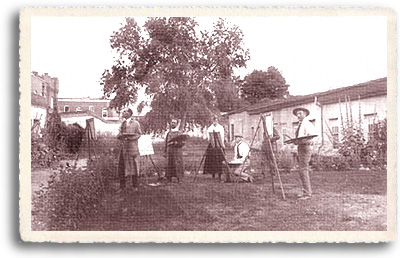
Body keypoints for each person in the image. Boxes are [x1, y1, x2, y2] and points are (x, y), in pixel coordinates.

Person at [292, 107, 316, 200]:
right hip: (301, 147)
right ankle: (305, 191)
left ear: (305, 114)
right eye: (297, 114)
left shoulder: (308, 124)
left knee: (303, 170)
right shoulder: (300, 124)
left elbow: (310, 138)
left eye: (300, 113)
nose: (298, 116)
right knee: (301, 170)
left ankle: (307, 193)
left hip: (305, 148)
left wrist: (299, 142)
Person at [117, 108, 142, 191]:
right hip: (123, 148)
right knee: (122, 166)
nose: (123, 113)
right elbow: (118, 134)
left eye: (125, 111)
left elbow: (139, 134)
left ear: (130, 113)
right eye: (123, 111)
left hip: (132, 148)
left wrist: (130, 138)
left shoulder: (136, 123)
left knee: (134, 167)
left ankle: (135, 186)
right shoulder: (122, 123)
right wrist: (120, 136)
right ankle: (122, 187)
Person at [203, 115, 226, 180]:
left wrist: (222, 145)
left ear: (217, 120)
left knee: (220, 159)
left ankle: (220, 174)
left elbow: (222, 136)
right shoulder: (210, 128)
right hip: (212, 145)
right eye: (213, 120)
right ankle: (213, 173)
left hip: (219, 144)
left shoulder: (221, 127)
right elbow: (208, 137)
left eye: (216, 120)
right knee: (212, 160)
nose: (214, 121)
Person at [164, 118, 185, 183]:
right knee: (169, 164)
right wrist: (165, 152)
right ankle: (169, 178)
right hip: (169, 151)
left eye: (174, 123)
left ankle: (179, 179)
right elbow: (166, 143)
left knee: (177, 164)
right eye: (172, 122)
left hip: (177, 151)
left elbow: (183, 143)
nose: (172, 124)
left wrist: (176, 143)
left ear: (176, 124)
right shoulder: (168, 133)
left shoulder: (179, 133)